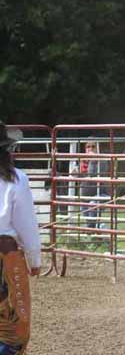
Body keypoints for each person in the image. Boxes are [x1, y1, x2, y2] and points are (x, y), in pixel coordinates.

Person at [0, 121, 42, 354]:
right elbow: (26, 225)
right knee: (13, 330)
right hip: (5, 257)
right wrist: (34, 260)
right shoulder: (15, 180)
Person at [72, 140, 109, 229]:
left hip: (101, 194)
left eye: (93, 146)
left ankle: (94, 231)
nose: (90, 149)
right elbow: (79, 177)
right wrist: (75, 173)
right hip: (85, 196)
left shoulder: (102, 160)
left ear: (97, 149)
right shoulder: (82, 161)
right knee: (86, 213)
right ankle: (98, 231)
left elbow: (92, 175)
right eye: (88, 147)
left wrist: (92, 160)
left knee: (93, 205)